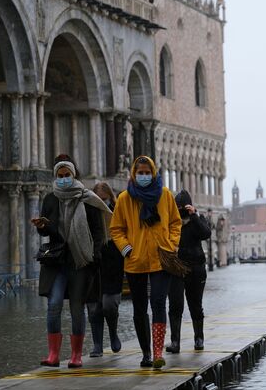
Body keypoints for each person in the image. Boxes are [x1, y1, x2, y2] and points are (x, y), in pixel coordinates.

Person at [32, 155, 112, 368]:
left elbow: (97, 231)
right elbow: (49, 231)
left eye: (67, 175)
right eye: (60, 176)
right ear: (55, 176)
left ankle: (76, 355)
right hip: (57, 260)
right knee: (54, 304)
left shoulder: (87, 198)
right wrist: (42, 226)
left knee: (78, 307)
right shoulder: (50, 199)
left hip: (81, 260)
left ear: (74, 175)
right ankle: (53, 354)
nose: (64, 179)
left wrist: (93, 256)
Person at [110, 156, 182, 369]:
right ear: (134, 173)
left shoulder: (165, 195)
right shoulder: (124, 199)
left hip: (162, 257)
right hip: (135, 260)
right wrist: (126, 249)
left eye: (146, 172)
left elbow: (176, 222)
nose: (143, 176)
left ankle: (158, 352)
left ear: (153, 173)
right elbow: (116, 229)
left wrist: (172, 244)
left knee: (159, 303)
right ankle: (146, 353)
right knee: (139, 308)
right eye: (139, 172)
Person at [166, 190, 211, 354]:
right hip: (176, 268)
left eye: (182, 207)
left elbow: (206, 233)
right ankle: (175, 342)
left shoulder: (198, 220)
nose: (180, 211)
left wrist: (194, 216)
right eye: (177, 208)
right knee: (175, 305)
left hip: (196, 268)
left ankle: (199, 338)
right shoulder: (172, 221)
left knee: (195, 305)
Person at [86, 182, 124, 357]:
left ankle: (113, 332)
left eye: (104, 199)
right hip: (93, 262)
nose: (102, 203)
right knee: (93, 307)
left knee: (109, 305)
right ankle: (97, 345)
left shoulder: (117, 212)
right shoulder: (88, 212)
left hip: (113, 262)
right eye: (98, 200)